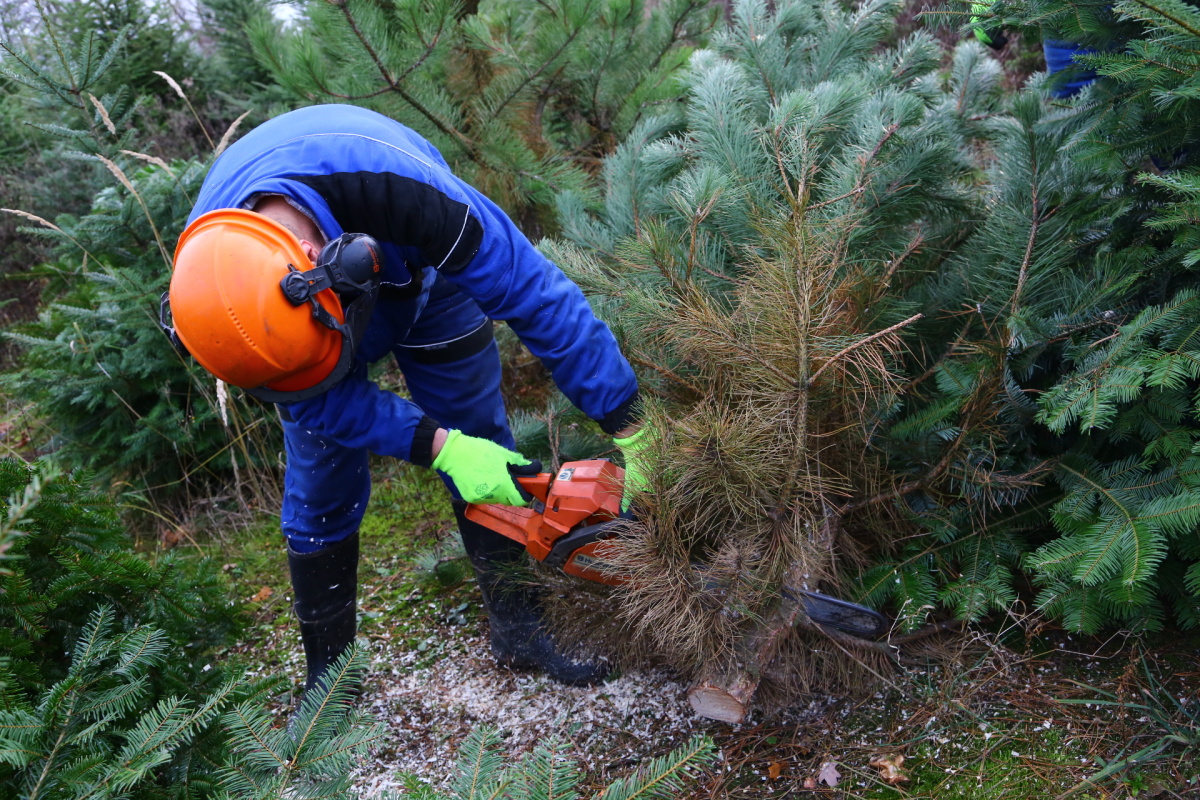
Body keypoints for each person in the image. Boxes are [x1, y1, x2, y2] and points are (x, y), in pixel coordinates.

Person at [161, 104, 651, 696]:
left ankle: (519, 628)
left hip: (422, 274)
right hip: (298, 338)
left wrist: (629, 421)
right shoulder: (214, 302)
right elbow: (314, 403)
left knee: (476, 429)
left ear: (315, 256)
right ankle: (330, 686)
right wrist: (441, 449)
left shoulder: (405, 192)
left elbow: (533, 292)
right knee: (321, 482)